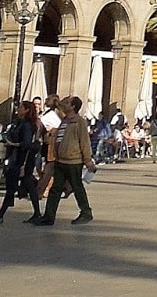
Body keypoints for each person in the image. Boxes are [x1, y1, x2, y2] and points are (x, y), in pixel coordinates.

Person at [37, 95, 97, 226]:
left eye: (69, 103)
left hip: (74, 161)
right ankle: (49, 216)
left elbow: (84, 142)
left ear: (74, 106)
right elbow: (61, 106)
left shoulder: (79, 122)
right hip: (60, 160)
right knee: (55, 189)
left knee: (77, 187)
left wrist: (87, 160)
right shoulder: (64, 120)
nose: (66, 104)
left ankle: (86, 212)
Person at [0, 100, 42, 224]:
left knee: (13, 186)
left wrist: (12, 144)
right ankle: (36, 213)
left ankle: (1, 215)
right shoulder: (20, 123)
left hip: (21, 160)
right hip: (20, 160)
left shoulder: (26, 125)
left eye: (21, 107)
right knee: (26, 186)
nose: (18, 109)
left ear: (26, 110)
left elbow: (26, 143)